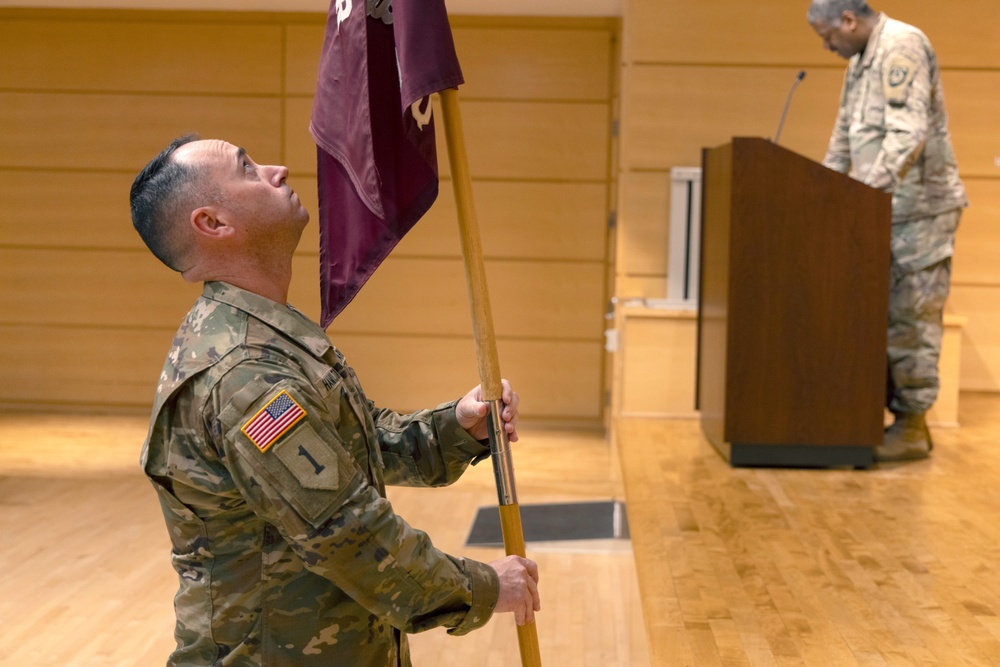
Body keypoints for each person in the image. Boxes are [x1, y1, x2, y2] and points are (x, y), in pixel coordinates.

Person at [129, 135, 540, 666]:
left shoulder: (267, 338)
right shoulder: (245, 372)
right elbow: (347, 533)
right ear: (213, 224)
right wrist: (484, 587)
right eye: (248, 169)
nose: (276, 170)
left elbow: (353, 448)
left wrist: (457, 428)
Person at [807, 0, 967, 462]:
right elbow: (843, 137)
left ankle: (912, 425)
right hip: (881, 211)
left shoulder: (901, 46)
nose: (827, 45)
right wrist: (823, 193)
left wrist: (863, 193)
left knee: (909, 319)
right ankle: (888, 418)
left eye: (828, 36)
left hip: (920, 213)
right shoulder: (860, 61)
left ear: (849, 21)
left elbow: (908, 133)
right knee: (878, 315)